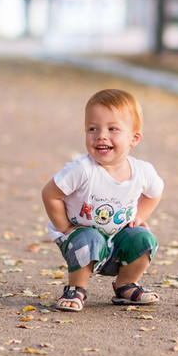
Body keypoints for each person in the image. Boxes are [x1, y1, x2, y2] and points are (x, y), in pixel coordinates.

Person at [41, 89, 165, 311]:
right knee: (89, 238)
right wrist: (65, 227)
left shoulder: (142, 171)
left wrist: (139, 216)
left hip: (118, 237)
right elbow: (50, 194)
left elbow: (155, 192)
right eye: (92, 129)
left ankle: (126, 285)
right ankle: (76, 288)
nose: (101, 136)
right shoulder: (81, 170)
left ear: (133, 138)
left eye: (112, 129)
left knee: (144, 239)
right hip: (80, 238)